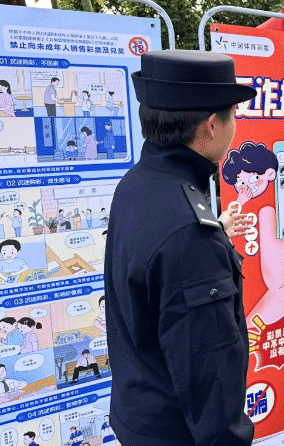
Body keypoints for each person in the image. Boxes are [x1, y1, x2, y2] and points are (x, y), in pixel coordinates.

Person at [104, 50, 258, 446]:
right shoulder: (189, 231)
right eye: (233, 115)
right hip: (178, 433)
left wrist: (213, 235)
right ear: (212, 125)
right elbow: (209, 378)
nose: (234, 125)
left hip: (140, 415)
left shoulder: (137, 184)